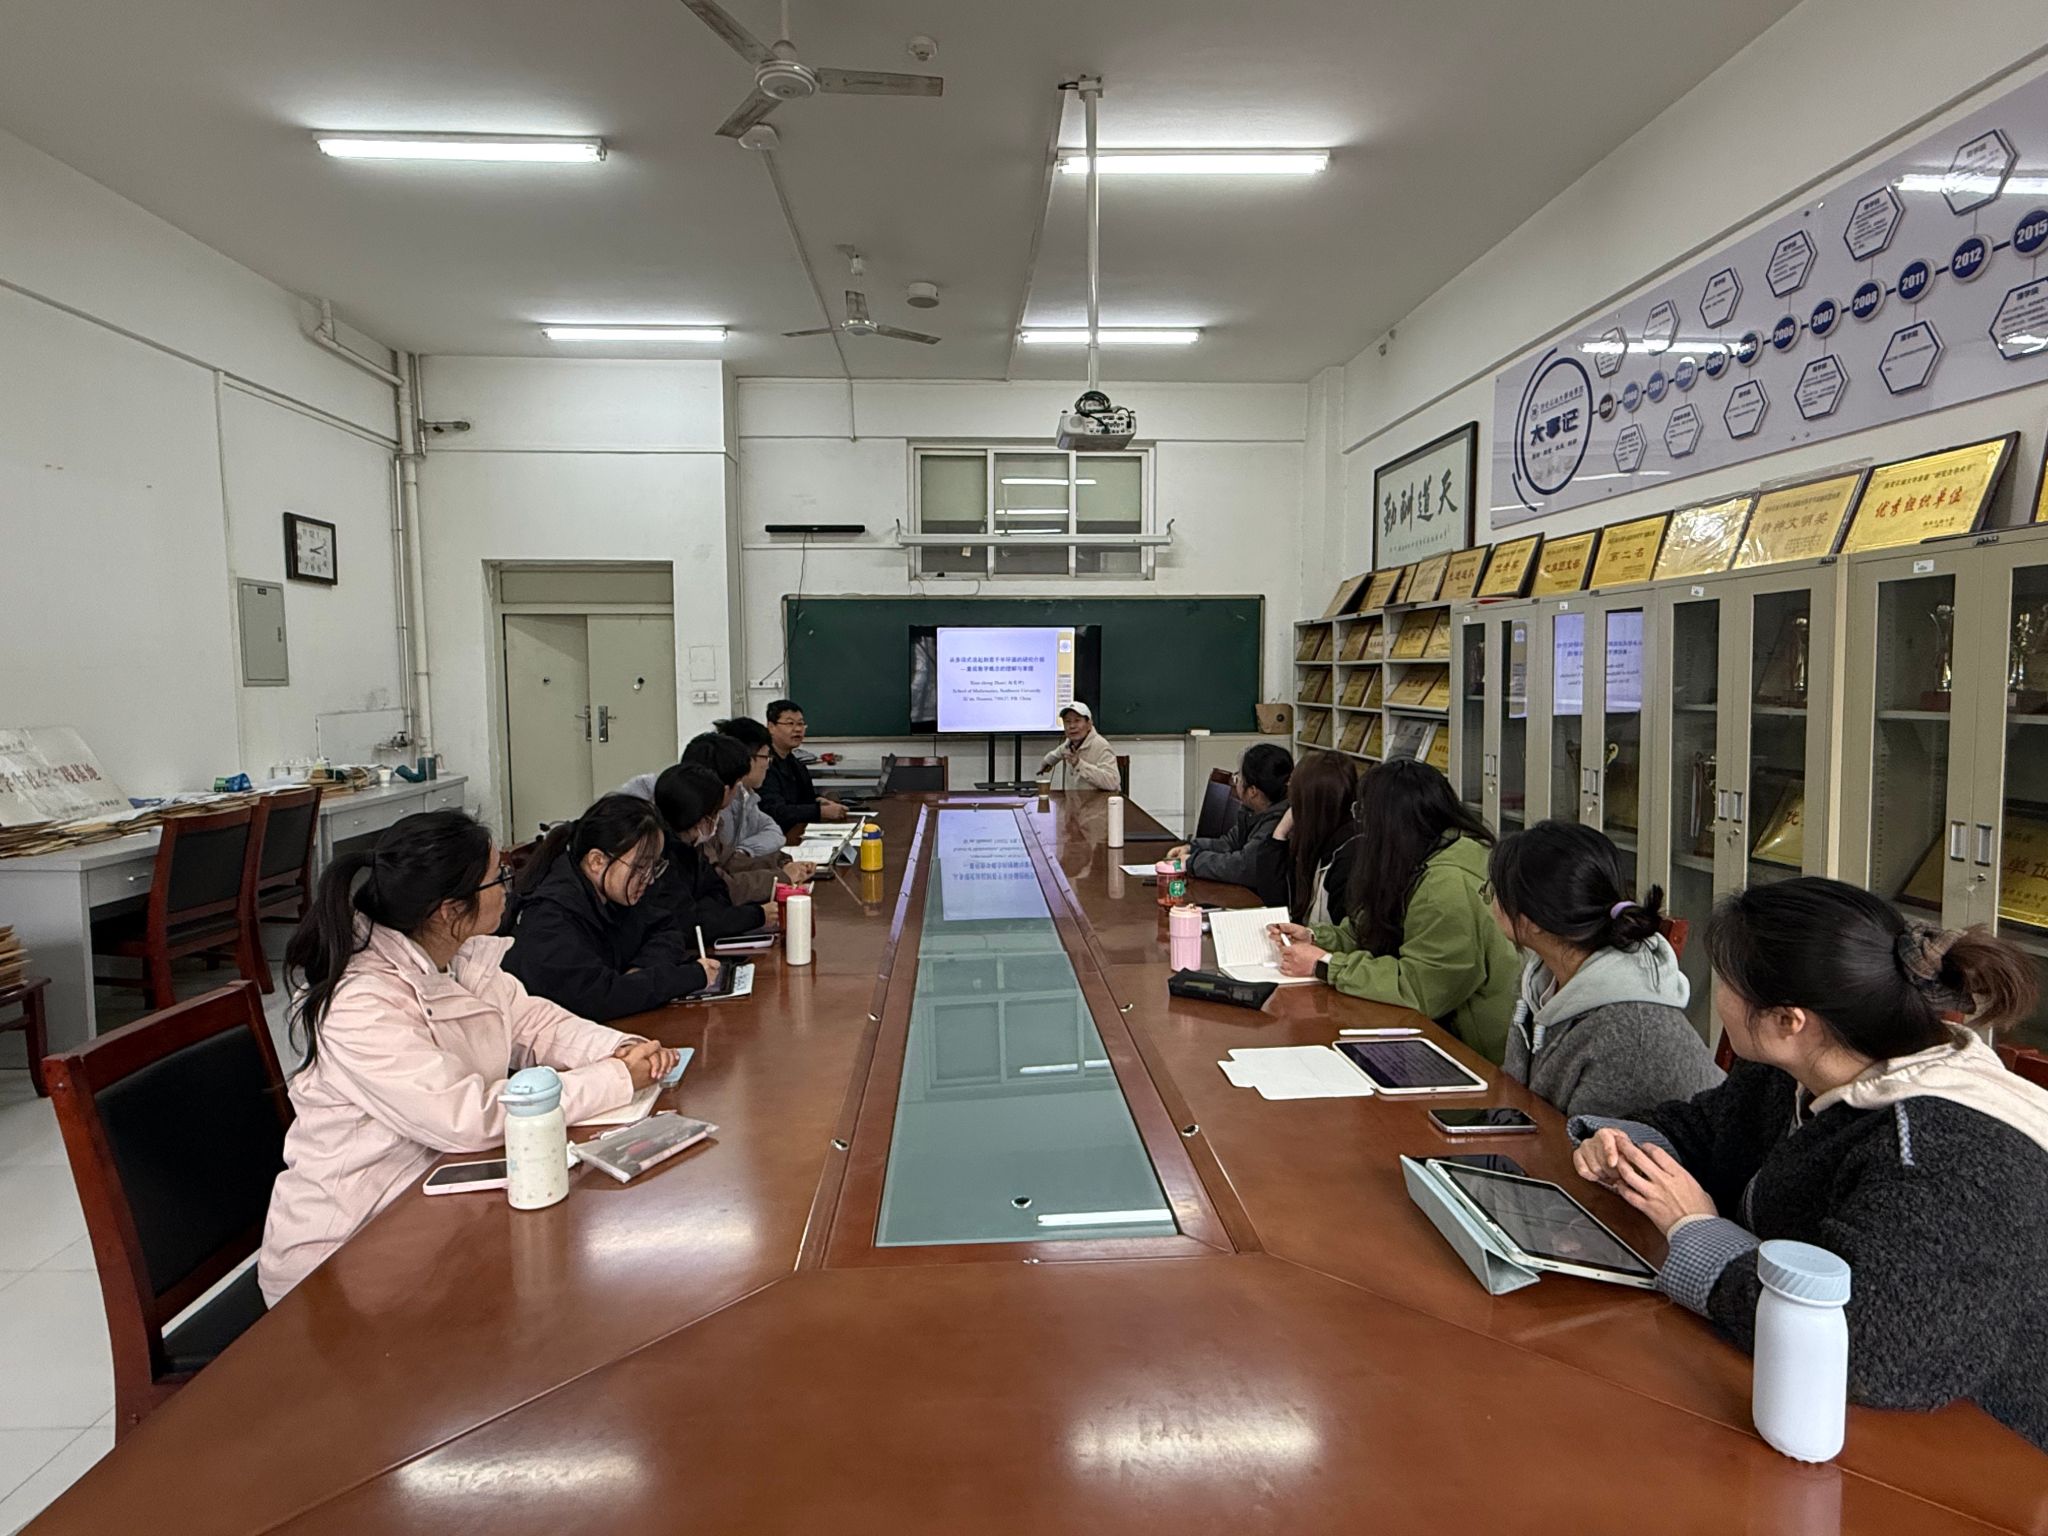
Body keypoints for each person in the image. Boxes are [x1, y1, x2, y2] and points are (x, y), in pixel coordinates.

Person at [1571, 878, 2048, 1450]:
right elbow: (1708, 1129)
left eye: (1726, 981)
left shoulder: (1945, 1151)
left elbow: (1866, 1349)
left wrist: (1694, 1230)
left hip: (1974, 1450)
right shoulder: (1807, 1063)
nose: (1716, 994)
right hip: (1804, 1409)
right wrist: (1624, 1146)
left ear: (1788, 1020)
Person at [259, 810, 677, 1305]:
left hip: (437, 1207)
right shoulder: (360, 1003)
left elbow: (533, 1022)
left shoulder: (457, 956)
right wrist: (614, 1079)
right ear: (448, 909)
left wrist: (616, 1048)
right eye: (498, 878)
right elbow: (465, 1116)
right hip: (346, 1253)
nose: (509, 889)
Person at [1268, 758, 1518, 1063]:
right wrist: (1314, 938)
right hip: (1432, 1029)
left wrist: (1325, 965)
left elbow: (1421, 988)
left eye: (1363, 813)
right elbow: (1370, 931)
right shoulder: (1423, 853)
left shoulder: (1447, 884)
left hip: (1473, 1052)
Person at [1487, 819, 1721, 1118]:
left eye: (1496, 892)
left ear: (1532, 921)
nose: (1492, 902)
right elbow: (1514, 1092)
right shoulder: (1541, 977)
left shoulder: (1629, 1033)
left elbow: (1584, 1140)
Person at [500, 795, 719, 1021]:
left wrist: (640, 971)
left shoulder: (612, 892)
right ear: (596, 861)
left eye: (654, 866)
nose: (650, 879)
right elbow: (598, 998)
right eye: (641, 867)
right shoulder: (549, 918)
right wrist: (690, 976)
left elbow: (666, 928)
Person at [678, 731, 813, 903]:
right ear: (724, 788)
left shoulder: (706, 816)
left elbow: (730, 860)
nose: (737, 791)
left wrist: (781, 863)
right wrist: (781, 877)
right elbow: (723, 887)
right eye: (737, 784)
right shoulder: (691, 825)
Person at [645, 762, 773, 942]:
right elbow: (688, 925)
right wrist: (756, 915)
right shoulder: (659, 858)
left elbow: (719, 891)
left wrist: (705, 913)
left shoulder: (692, 848)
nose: (716, 821)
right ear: (700, 818)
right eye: (714, 814)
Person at [1166, 742, 1292, 891]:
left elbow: (1242, 867)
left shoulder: (1277, 823)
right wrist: (1192, 848)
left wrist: (1193, 862)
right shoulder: (1253, 811)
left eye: (1239, 777)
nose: (1235, 780)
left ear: (1253, 791)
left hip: (1260, 900)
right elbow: (1230, 843)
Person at [1251, 750, 1358, 922]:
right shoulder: (1317, 838)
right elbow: (1276, 900)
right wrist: (1279, 833)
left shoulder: (1347, 857)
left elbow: (1344, 932)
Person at [757, 699, 848, 830]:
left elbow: (803, 798)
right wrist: (819, 811)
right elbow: (774, 811)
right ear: (771, 727)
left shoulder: (795, 763)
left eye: (801, 723)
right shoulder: (764, 764)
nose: (798, 729)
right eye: (790, 723)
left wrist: (818, 801)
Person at [1036, 702, 1121, 791]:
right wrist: (1046, 763)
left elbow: (1113, 783)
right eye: (1067, 721)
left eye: (1077, 721)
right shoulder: (1068, 744)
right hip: (1074, 798)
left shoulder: (1101, 746)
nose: (1072, 726)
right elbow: (1056, 754)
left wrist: (1079, 764)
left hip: (1098, 799)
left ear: (1089, 724)